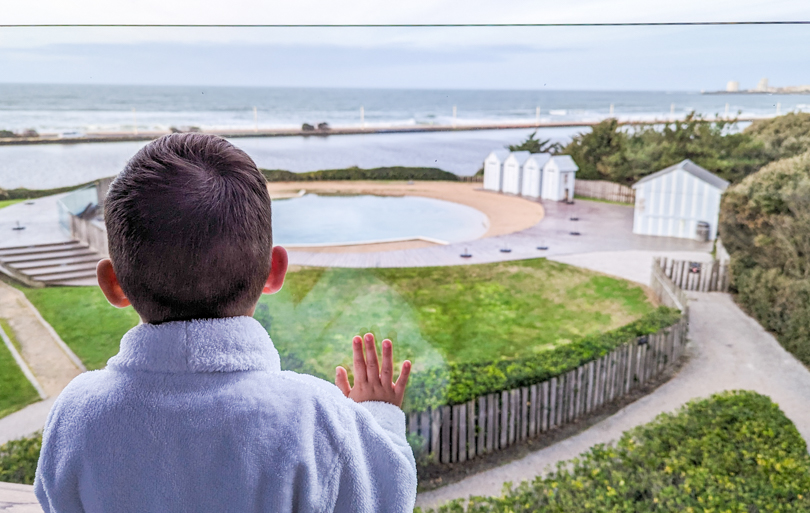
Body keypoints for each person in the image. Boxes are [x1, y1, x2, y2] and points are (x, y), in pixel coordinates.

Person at [34, 133, 417, 512]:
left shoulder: (77, 415)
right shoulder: (313, 417)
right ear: (274, 270)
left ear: (113, 285)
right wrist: (379, 416)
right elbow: (386, 497)